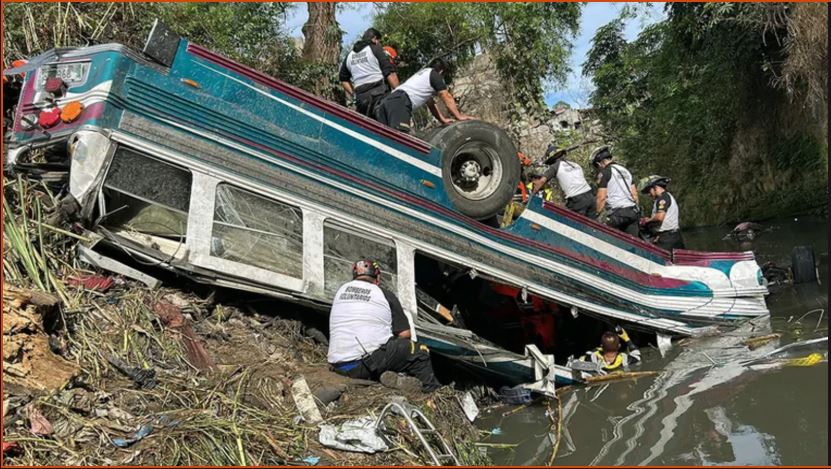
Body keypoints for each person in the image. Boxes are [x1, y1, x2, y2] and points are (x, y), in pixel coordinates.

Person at [327, 259, 442, 392]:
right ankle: (431, 395)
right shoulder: (383, 294)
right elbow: (405, 334)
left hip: (338, 365)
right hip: (362, 365)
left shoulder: (340, 291)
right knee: (419, 351)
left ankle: (392, 379)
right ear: (378, 277)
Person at [375, 57, 473, 133]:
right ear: (441, 71)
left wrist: (443, 120)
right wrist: (459, 116)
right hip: (399, 103)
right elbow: (446, 96)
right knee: (399, 140)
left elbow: (431, 104)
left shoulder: (423, 75)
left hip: (387, 102)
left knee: (386, 140)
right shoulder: (434, 75)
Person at [339, 28, 400, 118]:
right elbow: (389, 73)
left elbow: (343, 79)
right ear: (375, 39)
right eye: (379, 41)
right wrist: (400, 93)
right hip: (379, 97)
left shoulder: (350, 55)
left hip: (361, 101)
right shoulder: (375, 48)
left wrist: (354, 94)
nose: (379, 44)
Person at [529, 144, 597, 218]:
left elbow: (541, 181)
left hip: (576, 200)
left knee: (569, 223)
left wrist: (531, 197)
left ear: (552, 159)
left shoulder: (555, 166)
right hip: (591, 197)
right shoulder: (575, 165)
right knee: (590, 225)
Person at [592, 146, 640, 237]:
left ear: (599, 163)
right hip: (633, 212)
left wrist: (597, 214)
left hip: (617, 215)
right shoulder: (626, 171)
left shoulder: (605, 172)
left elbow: (601, 198)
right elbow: (635, 195)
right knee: (632, 244)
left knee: (606, 238)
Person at [639, 175, 685, 250]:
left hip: (667, 238)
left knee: (656, 259)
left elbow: (660, 217)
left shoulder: (662, 198)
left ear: (655, 187)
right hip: (675, 235)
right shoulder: (667, 196)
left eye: (649, 190)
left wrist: (646, 221)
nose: (648, 194)